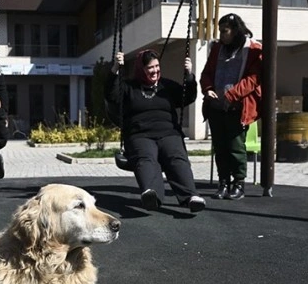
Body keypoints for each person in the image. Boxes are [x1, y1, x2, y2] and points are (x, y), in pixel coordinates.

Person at [105, 49, 206, 213]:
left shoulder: (166, 86)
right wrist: (115, 68)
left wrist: (189, 75)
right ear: (141, 69)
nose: (155, 71)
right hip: (140, 134)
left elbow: (187, 97)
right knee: (146, 158)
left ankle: (191, 197)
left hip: (168, 133)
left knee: (177, 158)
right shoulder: (129, 87)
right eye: (150, 68)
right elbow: (111, 95)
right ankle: (151, 195)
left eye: (157, 66)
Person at [200, 13, 263, 200]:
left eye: (225, 31)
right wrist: (208, 88)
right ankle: (223, 182)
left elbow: (254, 78)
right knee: (220, 147)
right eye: (220, 31)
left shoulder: (253, 49)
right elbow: (207, 73)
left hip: (237, 107)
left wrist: (232, 94)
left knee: (236, 147)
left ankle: (238, 183)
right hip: (216, 107)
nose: (221, 35)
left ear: (235, 31)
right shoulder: (217, 48)